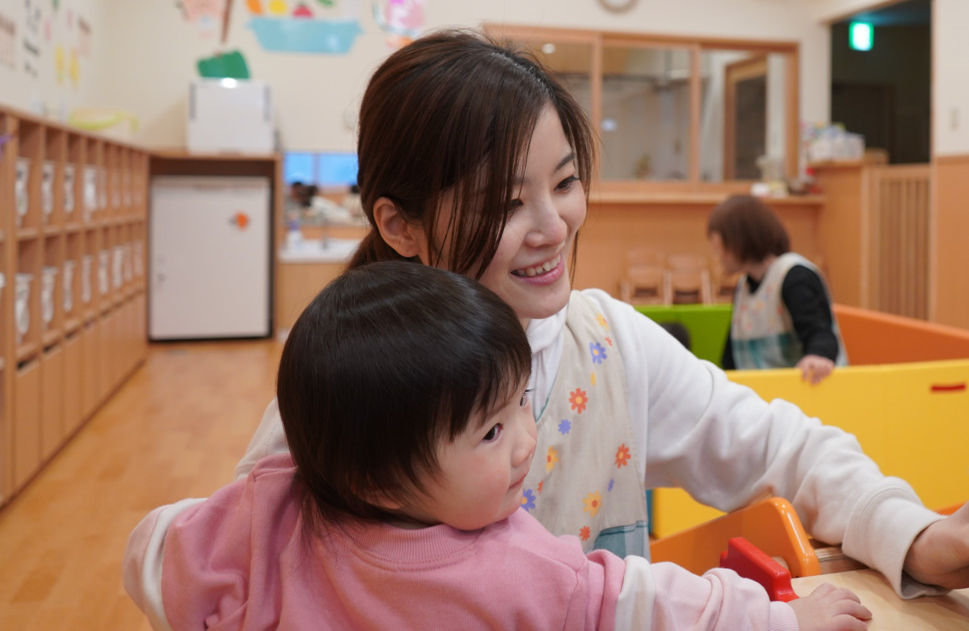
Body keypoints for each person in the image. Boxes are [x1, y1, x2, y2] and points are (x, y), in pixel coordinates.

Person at [126, 28, 969, 611]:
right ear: (400, 225)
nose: (553, 225)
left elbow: (781, 448)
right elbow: (225, 566)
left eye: (563, 184)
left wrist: (913, 533)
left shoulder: (607, 342)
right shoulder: (354, 389)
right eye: (505, 203)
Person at [124, 261, 872, 629]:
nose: (526, 439)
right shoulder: (512, 561)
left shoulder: (270, 511)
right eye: (491, 430)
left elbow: (152, 553)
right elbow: (647, 604)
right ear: (380, 481)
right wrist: (782, 619)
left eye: (520, 403)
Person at [707, 194, 847, 384]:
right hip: (766, 396)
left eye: (719, 248)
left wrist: (817, 356)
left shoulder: (794, 276)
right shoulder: (744, 287)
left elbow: (820, 333)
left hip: (807, 392)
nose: (717, 256)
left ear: (738, 240)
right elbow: (731, 357)